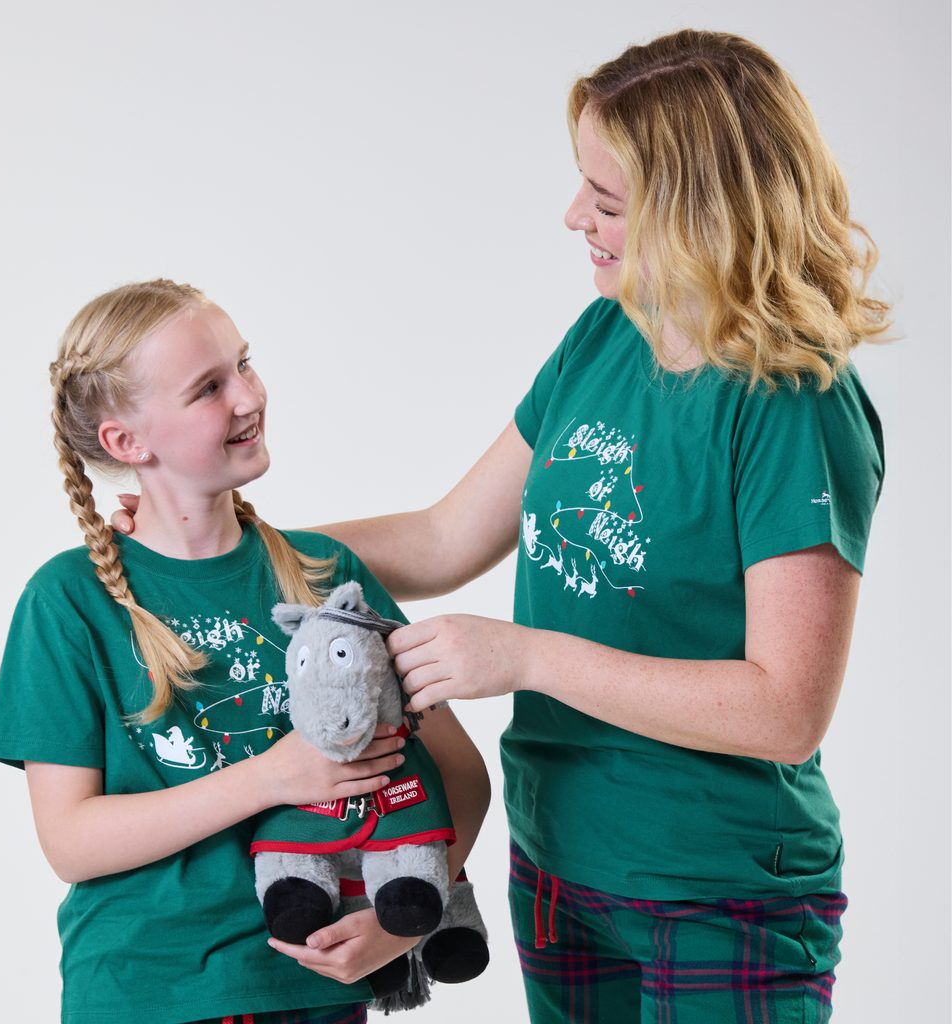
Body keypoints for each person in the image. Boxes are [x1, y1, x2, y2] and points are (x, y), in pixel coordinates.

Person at [279, 29, 890, 1024]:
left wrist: (526, 656)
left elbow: (787, 710)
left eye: (606, 200)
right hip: (560, 865)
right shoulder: (607, 333)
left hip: (717, 890)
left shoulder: (793, 404)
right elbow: (443, 538)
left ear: (698, 211)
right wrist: (225, 543)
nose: (573, 216)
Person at [0, 279, 489, 1024]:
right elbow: (70, 842)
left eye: (244, 364)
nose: (250, 396)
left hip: (317, 986)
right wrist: (269, 778)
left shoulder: (330, 576)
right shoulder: (65, 601)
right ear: (127, 443)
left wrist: (399, 925)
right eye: (209, 387)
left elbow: (461, 775)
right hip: (147, 993)